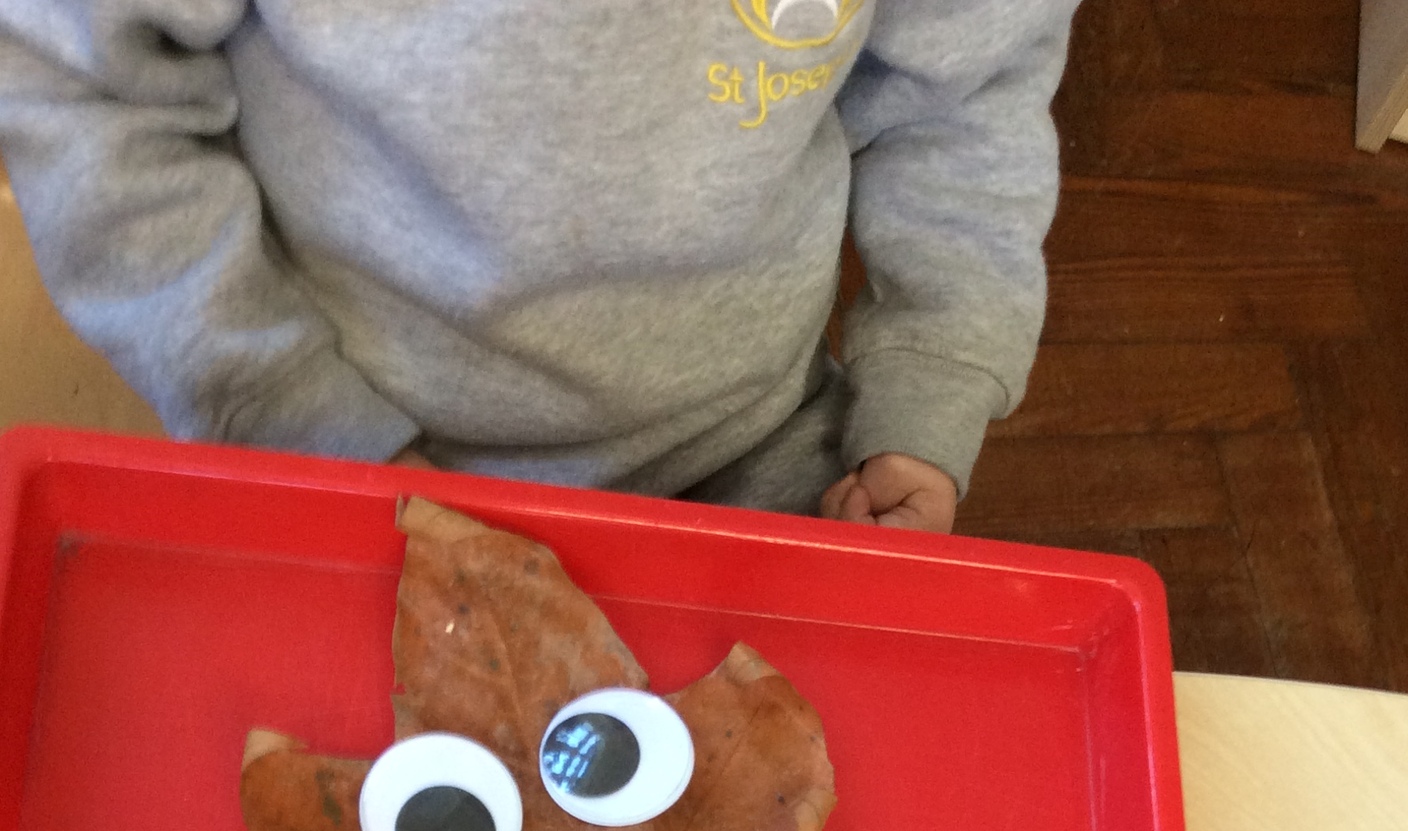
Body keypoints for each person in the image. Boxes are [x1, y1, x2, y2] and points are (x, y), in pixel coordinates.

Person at [0, 1, 1078, 535]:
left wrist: (931, 379)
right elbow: (79, 85)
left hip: (768, 457)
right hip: (344, 458)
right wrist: (281, 406)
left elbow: (964, 94)